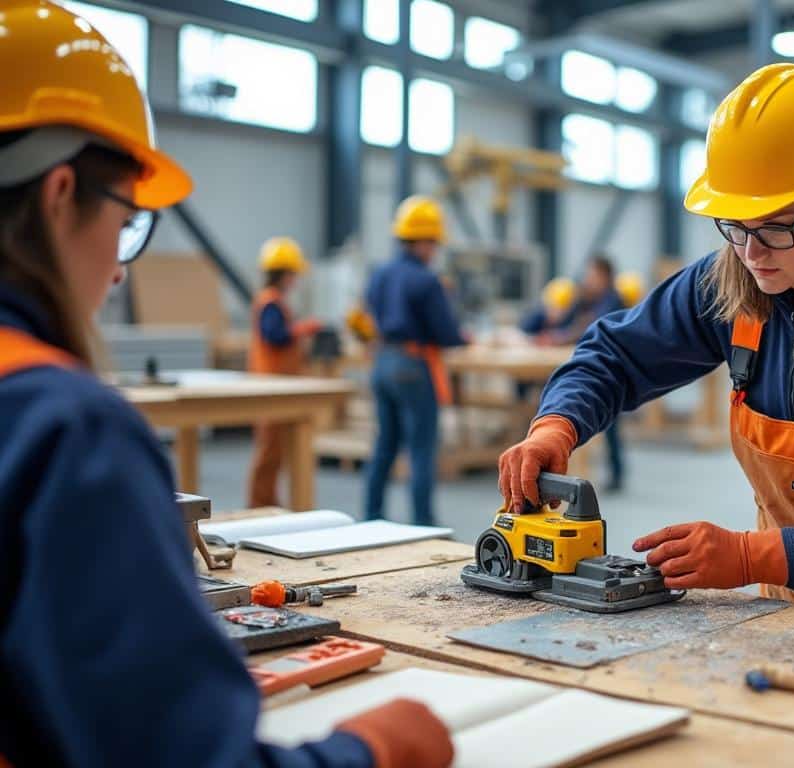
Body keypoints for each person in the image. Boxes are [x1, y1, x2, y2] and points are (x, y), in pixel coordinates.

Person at [0, 3, 453, 766]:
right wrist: (374, 751)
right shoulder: (63, 431)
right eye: (127, 219)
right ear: (58, 194)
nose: (117, 268)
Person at [497, 63, 794, 633]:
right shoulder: (733, 282)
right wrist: (555, 426)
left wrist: (752, 556)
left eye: (777, 225)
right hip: (785, 618)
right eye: (735, 225)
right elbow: (615, 355)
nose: (753, 252)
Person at [363, 195, 468, 525]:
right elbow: (447, 333)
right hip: (412, 367)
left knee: (385, 445)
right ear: (422, 240)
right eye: (433, 242)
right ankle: (423, 526)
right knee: (421, 450)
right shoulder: (427, 280)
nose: (434, 249)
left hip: (383, 362)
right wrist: (462, 335)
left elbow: (369, 315)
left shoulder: (380, 274)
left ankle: (371, 518)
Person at [536, 256, 629, 492]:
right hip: (592, 362)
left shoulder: (612, 300)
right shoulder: (586, 298)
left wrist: (561, 337)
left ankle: (617, 472)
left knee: (611, 423)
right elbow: (568, 322)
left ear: (605, 276)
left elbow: (591, 326)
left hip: (611, 368)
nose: (588, 280)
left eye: (593, 275)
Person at [246, 236, 323, 508]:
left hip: (279, 384)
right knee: (269, 451)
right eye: (293, 274)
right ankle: (260, 505)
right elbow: (274, 336)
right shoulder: (270, 303)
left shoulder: (274, 301)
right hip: (271, 385)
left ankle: (270, 503)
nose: (296, 280)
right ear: (283, 274)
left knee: (278, 450)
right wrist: (303, 329)